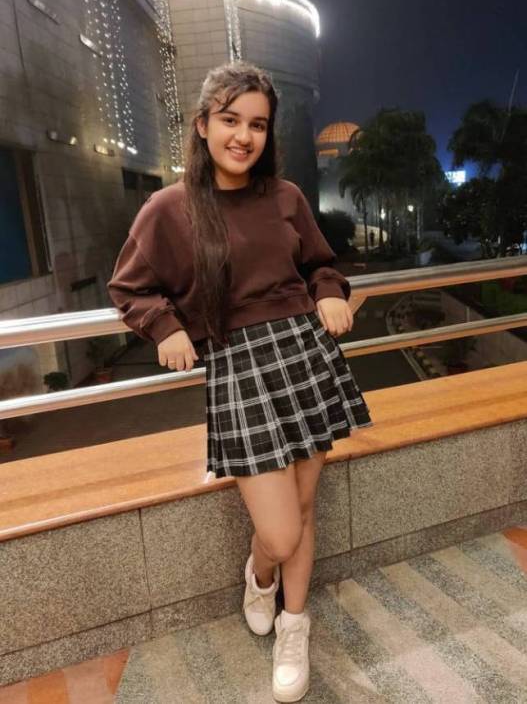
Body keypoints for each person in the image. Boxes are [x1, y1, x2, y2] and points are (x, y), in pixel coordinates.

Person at [107, 60, 373, 702]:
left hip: (304, 356)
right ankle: (261, 576)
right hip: (237, 369)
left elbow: (321, 265)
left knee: (303, 510)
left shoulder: (285, 197)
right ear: (202, 125)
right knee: (279, 532)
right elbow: (128, 288)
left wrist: (329, 292)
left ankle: (293, 624)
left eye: (257, 124)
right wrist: (166, 328)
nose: (244, 136)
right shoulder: (169, 208)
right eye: (230, 120)